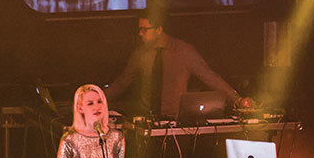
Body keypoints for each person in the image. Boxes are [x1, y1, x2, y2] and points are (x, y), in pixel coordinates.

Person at [106, 12, 254, 121]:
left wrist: (237, 99)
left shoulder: (183, 51)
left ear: (159, 30)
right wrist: (94, 100)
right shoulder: (140, 54)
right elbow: (122, 82)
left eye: (144, 29)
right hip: (147, 121)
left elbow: (210, 77)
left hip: (175, 122)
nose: (140, 33)